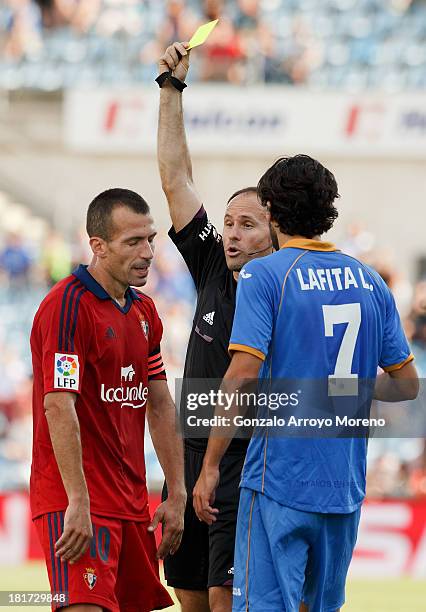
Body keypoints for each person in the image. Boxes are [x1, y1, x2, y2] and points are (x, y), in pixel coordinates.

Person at [193, 155, 419, 611]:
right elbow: (407, 384)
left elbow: (240, 377)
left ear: (272, 210)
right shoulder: (371, 280)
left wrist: (211, 464)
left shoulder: (266, 274)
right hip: (343, 486)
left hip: (279, 479)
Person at [157, 42, 277, 612]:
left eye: (247, 224)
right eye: (227, 222)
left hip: (242, 464)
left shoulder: (283, 286)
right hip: (189, 456)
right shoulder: (210, 263)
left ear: (274, 236)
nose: (230, 233)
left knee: (226, 598)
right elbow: (176, 177)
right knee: (188, 598)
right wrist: (170, 89)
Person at [30, 188, 186, 612]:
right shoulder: (66, 307)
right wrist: (77, 502)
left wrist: (177, 493)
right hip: (77, 502)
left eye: (150, 239)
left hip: (133, 505)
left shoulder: (145, 312)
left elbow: (160, 405)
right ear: (98, 246)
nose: (148, 252)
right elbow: (58, 405)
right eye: (132, 242)